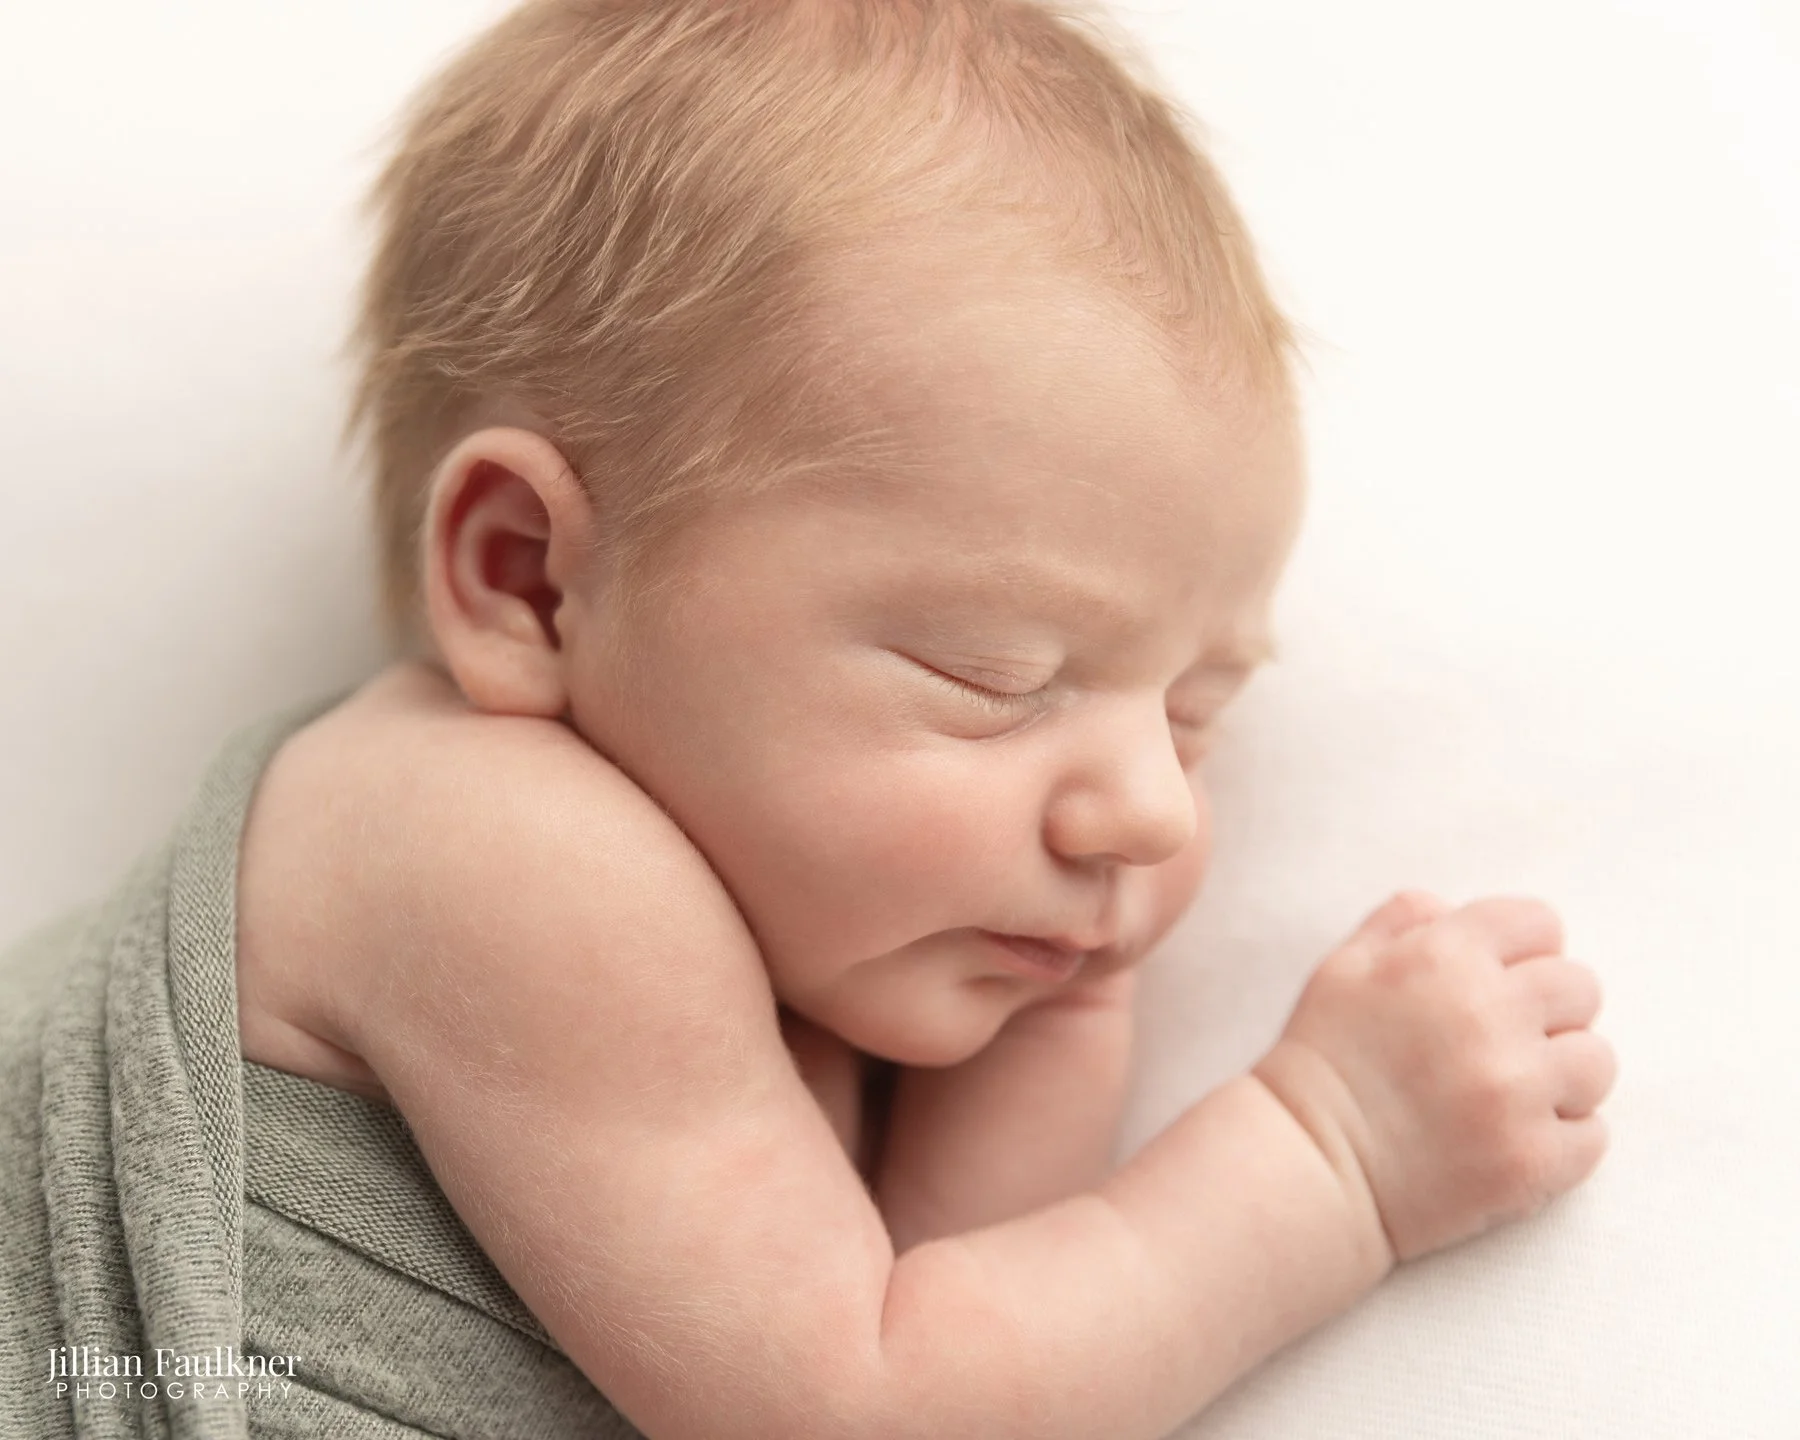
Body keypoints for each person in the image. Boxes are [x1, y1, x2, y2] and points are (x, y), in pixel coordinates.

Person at [1, 3, 1617, 1437]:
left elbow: (960, 1297)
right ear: (531, 582)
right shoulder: (482, 844)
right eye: (995, 676)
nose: (1155, 809)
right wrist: (1326, 1158)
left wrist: (1059, 1006)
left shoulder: (772, 977)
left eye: (1195, 714)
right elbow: (876, 1398)